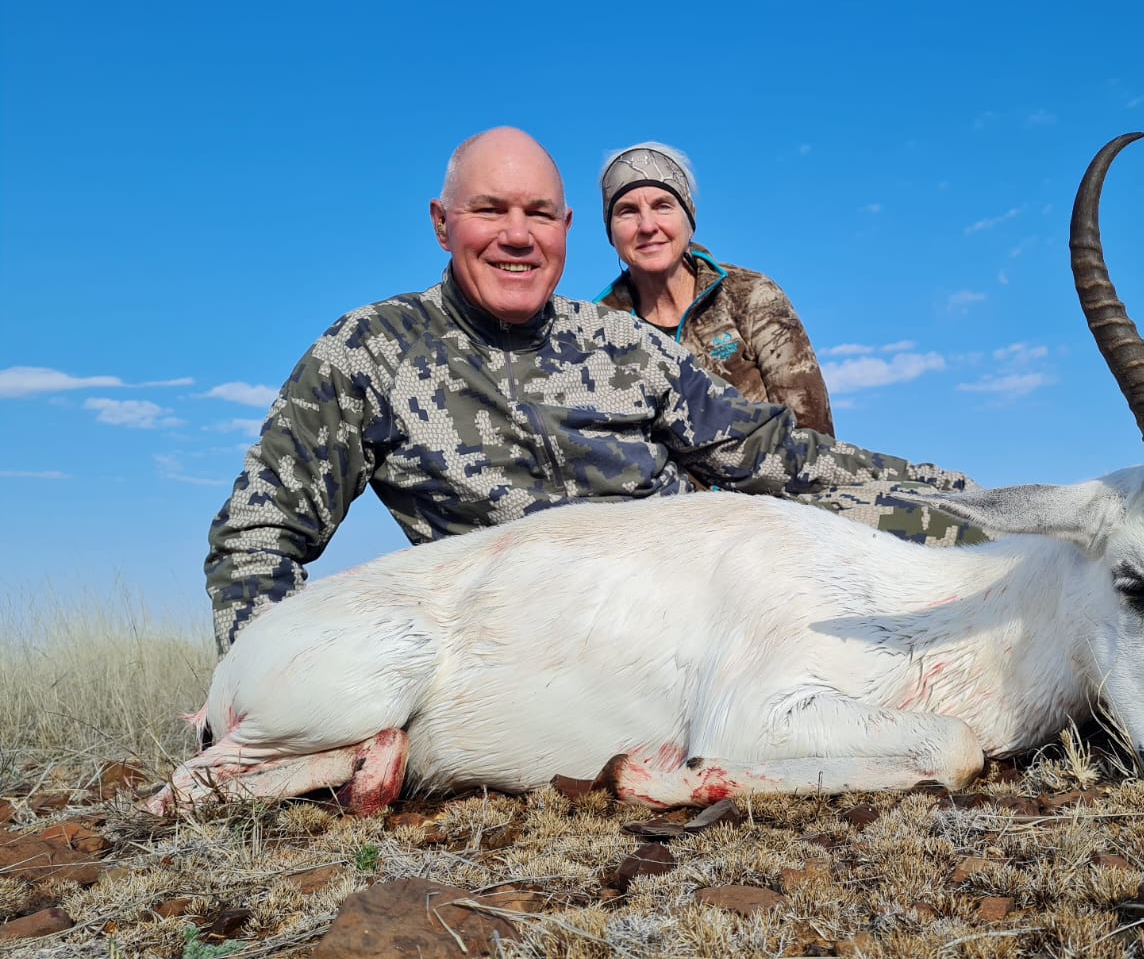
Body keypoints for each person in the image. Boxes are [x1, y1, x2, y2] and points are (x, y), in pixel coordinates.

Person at [205, 127, 980, 652]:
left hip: (716, 605)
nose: (518, 235)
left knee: (964, 546)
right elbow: (256, 537)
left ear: (567, 227)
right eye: (490, 211)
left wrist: (955, 497)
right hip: (546, 655)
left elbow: (772, 451)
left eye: (539, 214)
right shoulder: (369, 354)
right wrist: (257, 676)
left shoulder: (619, 341)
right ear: (443, 224)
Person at [594, 143, 834, 434]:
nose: (647, 226)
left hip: (771, 477)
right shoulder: (598, 331)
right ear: (611, 233)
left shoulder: (750, 295)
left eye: (662, 206)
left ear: (689, 218)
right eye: (627, 211)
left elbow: (811, 429)